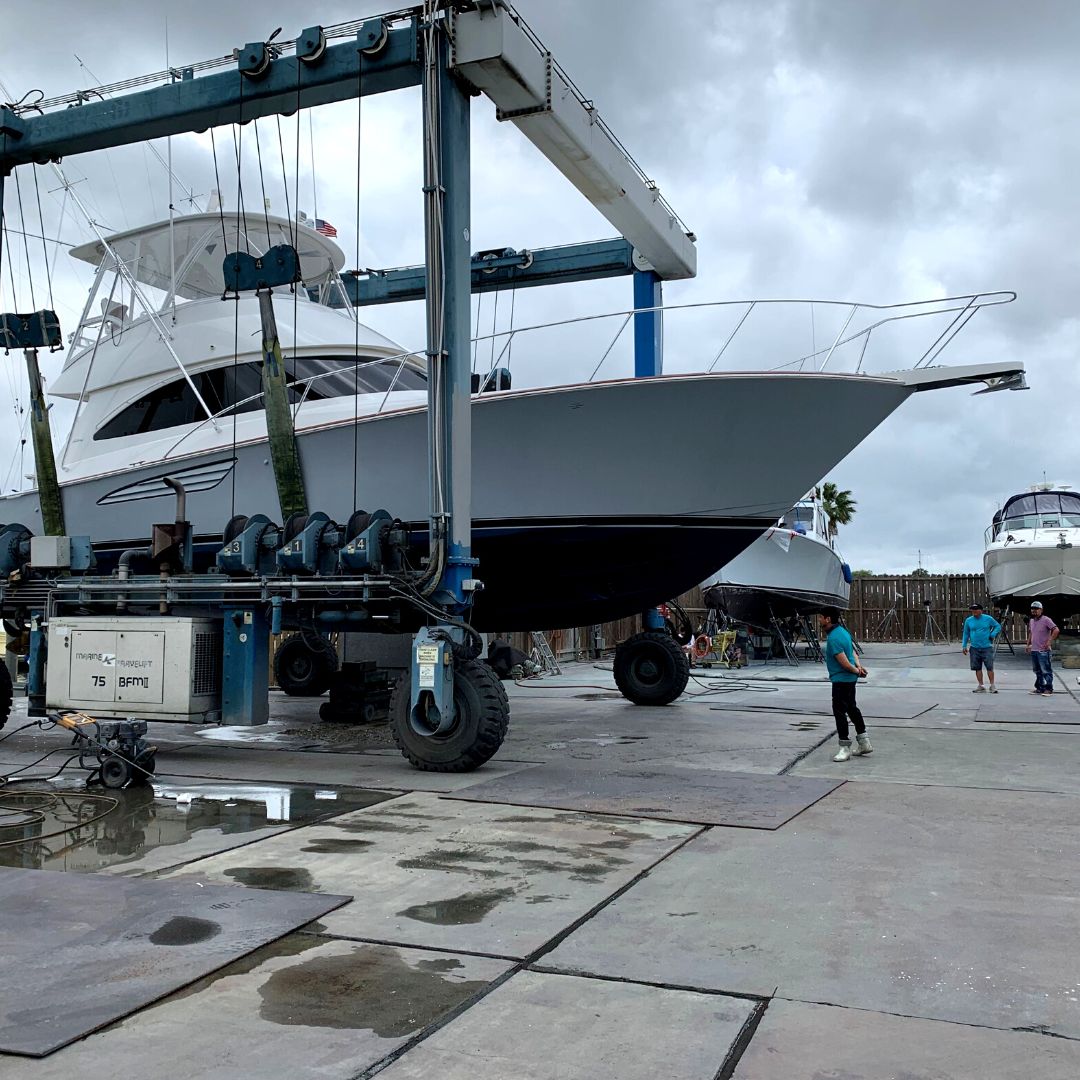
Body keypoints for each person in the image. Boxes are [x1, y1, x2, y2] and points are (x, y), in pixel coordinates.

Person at [820, 608, 871, 762]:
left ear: (828, 619)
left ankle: (844, 747)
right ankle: (864, 742)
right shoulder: (843, 631)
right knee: (852, 708)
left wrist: (857, 670)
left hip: (841, 680)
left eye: (821, 618)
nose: (819, 620)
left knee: (840, 712)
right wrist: (859, 667)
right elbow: (853, 653)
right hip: (849, 680)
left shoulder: (834, 638)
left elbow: (843, 662)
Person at [961, 602, 1001, 693]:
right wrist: (964, 645)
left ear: (980, 610)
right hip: (974, 647)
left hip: (986, 647)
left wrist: (993, 634)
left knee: (989, 667)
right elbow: (966, 633)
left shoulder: (988, 619)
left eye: (976, 609)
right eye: (972, 610)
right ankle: (981, 685)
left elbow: (998, 626)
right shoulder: (969, 620)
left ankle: (992, 685)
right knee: (977, 667)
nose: (974, 611)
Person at [1026, 601, 1059, 696]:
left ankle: (1049, 688)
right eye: (1033, 609)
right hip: (1034, 649)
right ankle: (1040, 687)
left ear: (1041, 610)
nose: (1034, 611)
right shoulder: (1032, 621)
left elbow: (1056, 630)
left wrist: (1049, 641)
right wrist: (1028, 644)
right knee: (1037, 670)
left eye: (1036, 609)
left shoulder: (1046, 620)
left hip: (1043, 650)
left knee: (1046, 670)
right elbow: (1031, 633)